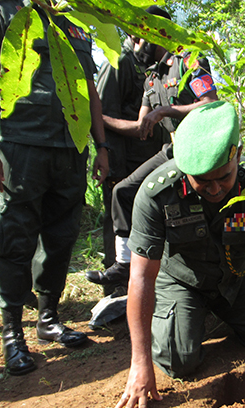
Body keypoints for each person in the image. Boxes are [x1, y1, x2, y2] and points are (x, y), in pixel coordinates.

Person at [108, 101, 245, 408]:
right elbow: (140, 278)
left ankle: (213, 316)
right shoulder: (155, 195)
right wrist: (139, 363)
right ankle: (182, 314)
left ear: (238, 154)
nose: (215, 188)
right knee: (180, 359)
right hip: (181, 280)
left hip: (234, 278)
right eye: (202, 182)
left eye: (225, 177)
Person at [0, 0, 109, 376]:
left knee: (61, 236)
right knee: (14, 237)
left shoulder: (73, 15)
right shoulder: (2, 9)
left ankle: (49, 317)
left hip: (70, 148)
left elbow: (88, 89)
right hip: (21, 145)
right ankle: (13, 332)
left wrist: (101, 146)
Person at [85, 16, 218, 292]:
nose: (135, 43)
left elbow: (210, 104)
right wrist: (99, 117)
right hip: (172, 150)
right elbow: (140, 128)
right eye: (132, 37)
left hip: (198, 149)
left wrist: (167, 111)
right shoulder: (152, 76)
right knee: (123, 192)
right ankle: (123, 264)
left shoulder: (189, 61)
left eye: (139, 37)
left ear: (159, 32)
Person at [92, 5, 172, 296]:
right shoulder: (120, 61)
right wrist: (110, 159)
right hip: (122, 158)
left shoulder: (154, 66)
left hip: (149, 158)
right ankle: (115, 286)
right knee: (117, 218)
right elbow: (99, 113)